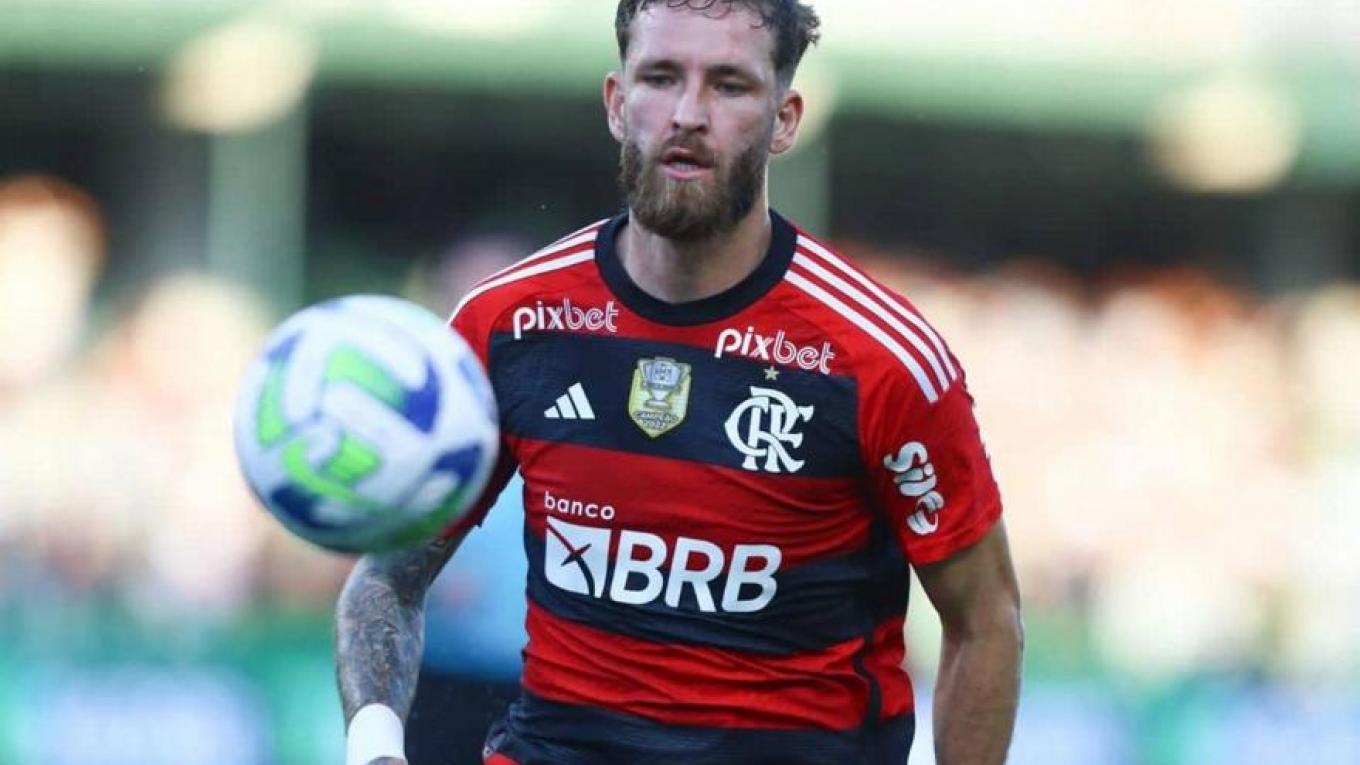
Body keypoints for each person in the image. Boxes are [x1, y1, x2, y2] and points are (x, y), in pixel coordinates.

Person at [336, 2, 1023, 764]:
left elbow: (985, 620)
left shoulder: (882, 358)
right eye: (660, 77)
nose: (688, 113)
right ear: (616, 102)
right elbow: (390, 574)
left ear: (786, 120)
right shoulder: (507, 323)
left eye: (729, 85)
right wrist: (375, 748)